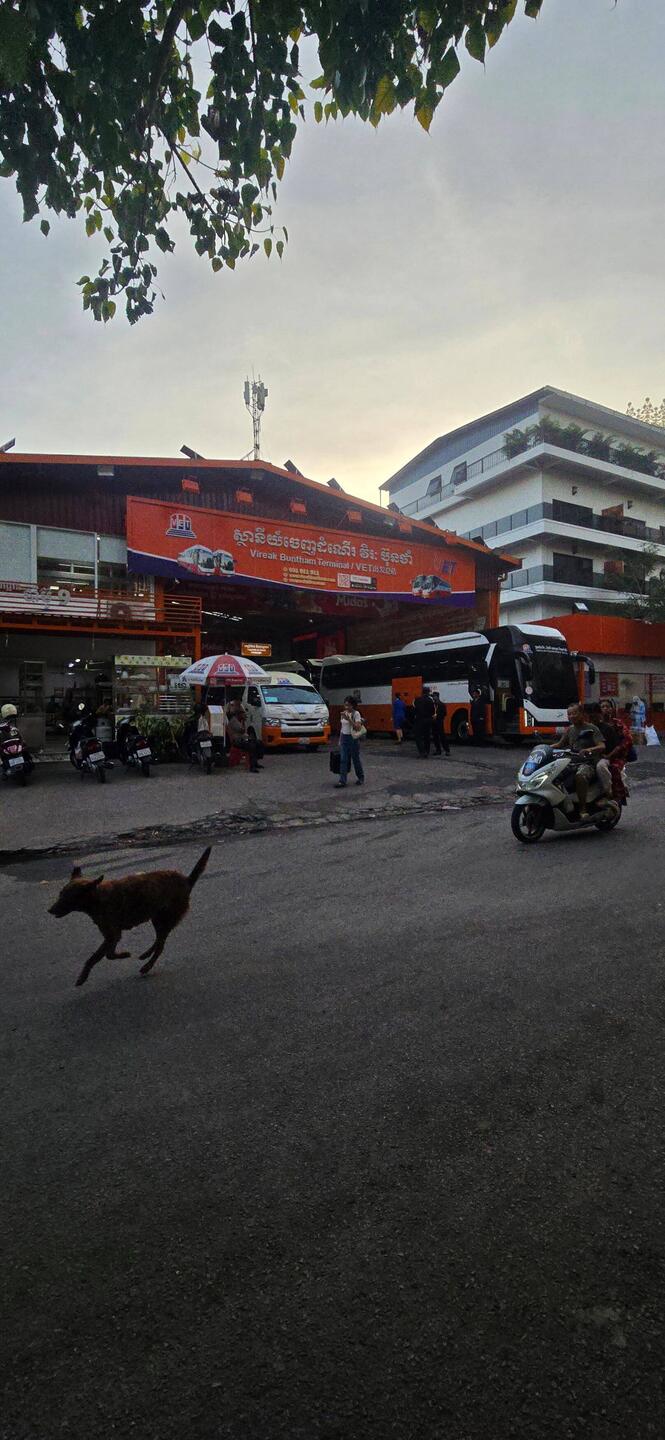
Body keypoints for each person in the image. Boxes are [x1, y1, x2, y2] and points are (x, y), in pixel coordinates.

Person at [556, 701, 609, 819]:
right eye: (569, 714)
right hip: (571, 762)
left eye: (574, 713)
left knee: (580, 776)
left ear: (581, 713)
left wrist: (588, 750)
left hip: (588, 763)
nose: (571, 716)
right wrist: (541, 749)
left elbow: (602, 746)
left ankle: (582, 809)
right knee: (553, 774)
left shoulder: (591, 728)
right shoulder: (569, 730)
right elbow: (559, 744)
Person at [599, 698, 632, 805]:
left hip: (617, 756)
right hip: (601, 755)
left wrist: (612, 753)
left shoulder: (618, 724)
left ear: (612, 709)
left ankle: (615, 795)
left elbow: (628, 740)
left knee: (614, 768)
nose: (605, 709)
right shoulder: (596, 725)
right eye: (602, 707)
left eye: (607, 707)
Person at [335, 695, 365, 788]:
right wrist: (340, 739)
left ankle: (360, 777)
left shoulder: (356, 714)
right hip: (344, 737)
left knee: (355, 759)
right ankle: (342, 780)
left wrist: (349, 719)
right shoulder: (343, 713)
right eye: (345, 705)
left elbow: (357, 727)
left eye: (348, 705)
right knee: (343, 759)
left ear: (353, 705)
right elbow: (342, 727)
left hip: (353, 738)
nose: (346, 707)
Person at [226, 699, 262, 773]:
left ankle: (256, 762)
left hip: (243, 739)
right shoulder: (234, 721)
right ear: (238, 714)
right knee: (252, 746)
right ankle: (252, 766)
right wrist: (243, 722)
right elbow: (242, 730)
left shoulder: (239, 721)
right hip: (237, 741)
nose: (245, 715)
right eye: (243, 714)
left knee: (259, 743)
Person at [412, 686, 435, 758]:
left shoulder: (417, 700)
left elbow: (414, 710)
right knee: (427, 736)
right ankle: (427, 751)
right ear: (428, 692)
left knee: (418, 736)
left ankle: (422, 751)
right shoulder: (430, 700)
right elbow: (433, 711)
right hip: (428, 720)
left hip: (419, 720)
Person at [431, 691, 450, 756]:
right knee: (435, 737)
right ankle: (438, 750)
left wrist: (437, 716)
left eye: (434, 696)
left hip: (439, 722)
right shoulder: (432, 705)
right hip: (433, 723)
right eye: (433, 696)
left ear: (437, 697)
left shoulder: (442, 705)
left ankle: (447, 750)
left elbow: (444, 713)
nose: (433, 698)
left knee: (442, 737)